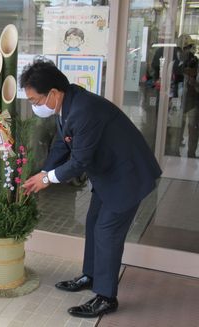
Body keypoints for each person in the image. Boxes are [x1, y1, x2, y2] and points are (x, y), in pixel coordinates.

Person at [20, 59, 162, 318]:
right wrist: (43, 172)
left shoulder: (83, 110)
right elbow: (63, 145)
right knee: (93, 222)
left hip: (126, 177)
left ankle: (106, 296)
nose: (35, 106)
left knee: (107, 232)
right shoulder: (68, 103)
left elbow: (79, 161)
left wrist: (48, 179)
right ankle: (91, 275)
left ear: (53, 92)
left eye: (35, 101)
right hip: (108, 175)